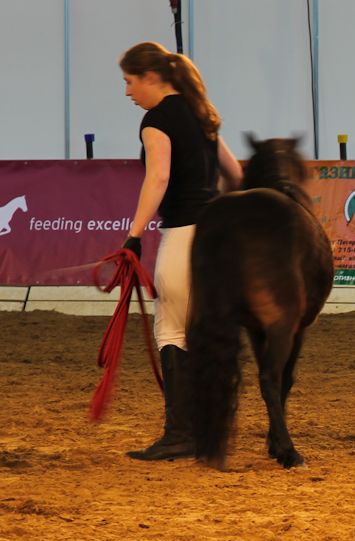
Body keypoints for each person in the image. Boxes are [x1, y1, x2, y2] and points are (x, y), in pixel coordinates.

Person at [118, 41, 243, 461]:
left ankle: (180, 434)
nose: (128, 92)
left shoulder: (157, 119)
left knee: (172, 330)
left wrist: (133, 235)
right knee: (206, 331)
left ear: (150, 77)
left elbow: (158, 178)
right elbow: (235, 174)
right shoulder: (201, 113)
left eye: (130, 82)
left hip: (184, 233)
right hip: (217, 236)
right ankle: (207, 428)